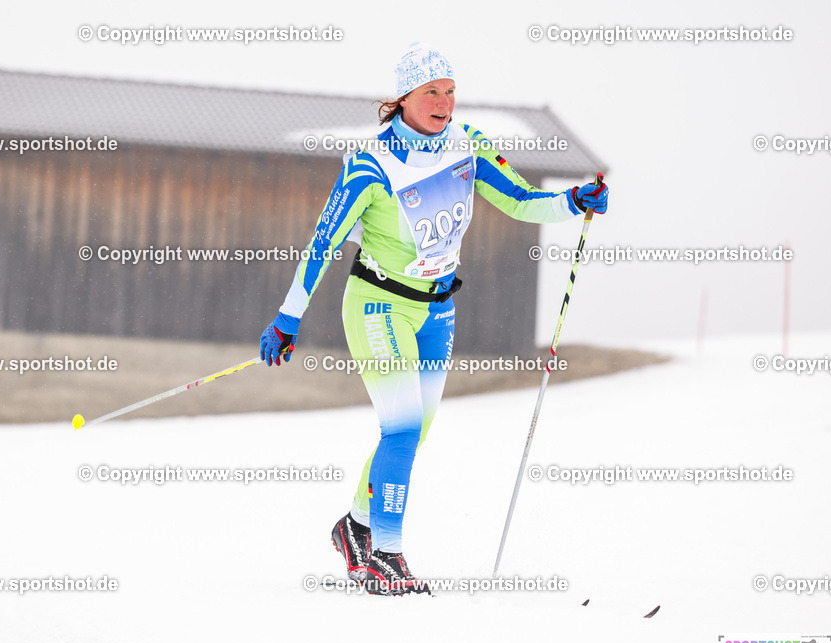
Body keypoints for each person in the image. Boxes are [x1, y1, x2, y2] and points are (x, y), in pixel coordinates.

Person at [259, 42, 608, 596]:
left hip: (437, 309)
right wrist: (287, 318)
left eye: (450, 91)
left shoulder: (469, 146)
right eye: (431, 93)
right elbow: (323, 243)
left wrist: (573, 200)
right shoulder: (370, 164)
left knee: (413, 432)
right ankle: (385, 555)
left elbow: (520, 200)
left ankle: (354, 525)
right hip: (378, 304)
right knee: (399, 429)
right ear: (403, 99)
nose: (445, 102)